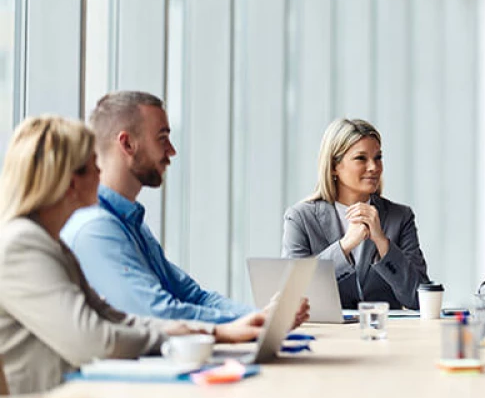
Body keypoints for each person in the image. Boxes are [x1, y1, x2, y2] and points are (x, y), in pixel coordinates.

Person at [0, 116, 266, 395]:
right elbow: (95, 341)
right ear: (70, 182)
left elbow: (116, 318)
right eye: (93, 165)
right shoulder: (22, 245)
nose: (101, 173)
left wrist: (216, 332)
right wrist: (175, 339)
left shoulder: (52, 244)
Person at [62, 91, 306, 325]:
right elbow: (157, 314)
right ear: (127, 144)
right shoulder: (95, 228)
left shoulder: (131, 222)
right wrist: (256, 320)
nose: (171, 150)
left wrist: (259, 316)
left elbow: (193, 296)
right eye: (162, 138)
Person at [281, 118, 430, 309]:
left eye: (378, 158)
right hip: (325, 335)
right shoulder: (300, 218)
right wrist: (345, 245)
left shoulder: (400, 217)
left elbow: (420, 299)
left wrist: (383, 243)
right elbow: (292, 295)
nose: (374, 167)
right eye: (361, 158)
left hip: (386, 335)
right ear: (334, 165)